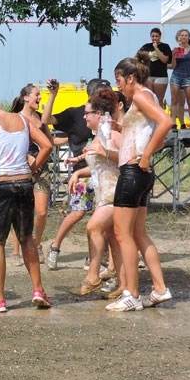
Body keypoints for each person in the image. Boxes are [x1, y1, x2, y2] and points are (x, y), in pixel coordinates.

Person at [0, 96, 53, 312]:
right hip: (25, 184)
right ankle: (38, 290)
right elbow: (46, 145)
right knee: (27, 238)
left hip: (1, 184)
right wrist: (33, 168)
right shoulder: (23, 120)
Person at [106, 54, 174, 311]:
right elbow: (150, 130)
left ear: (131, 78)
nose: (118, 85)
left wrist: (145, 154)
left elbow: (166, 122)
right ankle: (159, 288)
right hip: (142, 172)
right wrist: (123, 127)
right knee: (138, 233)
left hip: (133, 172)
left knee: (122, 233)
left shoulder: (141, 96)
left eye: (119, 80)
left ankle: (132, 294)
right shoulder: (149, 96)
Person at [41, 78, 112, 269]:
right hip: (81, 172)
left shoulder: (109, 116)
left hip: (104, 172)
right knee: (78, 212)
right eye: (102, 93)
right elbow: (46, 120)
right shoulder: (77, 114)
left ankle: (98, 258)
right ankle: (55, 247)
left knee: (104, 217)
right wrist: (53, 95)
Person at [68, 89, 124, 297]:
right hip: (103, 194)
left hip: (115, 192)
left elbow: (128, 158)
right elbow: (98, 166)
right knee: (113, 238)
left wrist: (105, 152)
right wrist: (77, 172)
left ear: (99, 114)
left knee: (93, 227)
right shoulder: (99, 136)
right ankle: (123, 284)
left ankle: (93, 277)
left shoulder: (112, 133)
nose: (84, 117)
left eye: (87, 113)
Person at [8, 82, 54, 266]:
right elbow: (9, 143)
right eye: (37, 94)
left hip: (42, 169)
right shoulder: (15, 119)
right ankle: (15, 250)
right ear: (26, 97)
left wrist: (75, 137)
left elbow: (50, 141)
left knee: (42, 212)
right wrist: (26, 157)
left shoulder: (41, 119)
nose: (39, 97)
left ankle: (35, 244)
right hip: (21, 168)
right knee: (19, 211)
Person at [169, 29, 190, 126]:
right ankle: (174, 123)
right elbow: (173, 65)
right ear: (179, 37)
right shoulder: (177, 50)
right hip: (176, 76)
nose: (184, 37)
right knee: (175, 100)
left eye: (186, 35)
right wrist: (173, 56)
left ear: (189, 37)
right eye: (182, 35)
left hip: (188, 77)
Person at [139, 27, 172, 108]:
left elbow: (165, 60)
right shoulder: (146, 46)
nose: (154, 38)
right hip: (149, 75)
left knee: (159, 99)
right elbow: (138, 57)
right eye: (153, 36)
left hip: (161, 75)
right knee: (149, 98)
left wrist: (156, 48)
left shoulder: (165, 46)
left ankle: (160, 118)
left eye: (156, 36)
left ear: (160, 37)